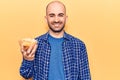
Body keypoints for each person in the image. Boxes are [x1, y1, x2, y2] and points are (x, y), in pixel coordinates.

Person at [19, 1, 91, 80]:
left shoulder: (79, 45)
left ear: (66, 18)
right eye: (52, 15)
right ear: (46, 18)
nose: (56, 20)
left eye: (60, 15)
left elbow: (85, 77)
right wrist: (28, 60)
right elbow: (26, 74)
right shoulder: (35, 44)